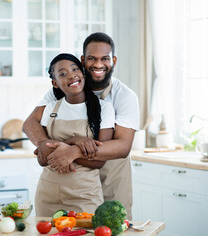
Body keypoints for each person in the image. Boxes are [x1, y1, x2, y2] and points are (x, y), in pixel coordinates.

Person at [23, 32, 140, 219]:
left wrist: (74, 150)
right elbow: (31, 123)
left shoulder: (124, 97)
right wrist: (43, 143)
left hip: (112, 178)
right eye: (92, 58)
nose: (99, 64)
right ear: (83, 60)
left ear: (114, 60)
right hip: (70, 179)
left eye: (105, 59)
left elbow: (123, 146)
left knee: (113, 230)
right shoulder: (68, 86)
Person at [34, 53, 115, 217]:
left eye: (74, 69)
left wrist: (66, 152)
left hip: (85, 195)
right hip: (48, 194)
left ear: (83, 74)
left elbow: (99, 161)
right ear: (55, 83)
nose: (71, 75)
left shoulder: (104, 109)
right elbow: (42, 159)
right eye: (62, 73)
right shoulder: (51, 109)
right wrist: (75, 142)